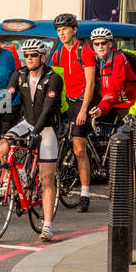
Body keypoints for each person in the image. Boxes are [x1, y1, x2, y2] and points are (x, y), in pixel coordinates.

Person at [0, 38, 63, 242]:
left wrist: (36, 133)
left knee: (47, 179)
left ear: (42, 57)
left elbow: (47, 109)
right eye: (26, 56)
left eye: (33, 55)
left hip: (46, 128)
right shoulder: (19, 75)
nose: (29, 59)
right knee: (3, 144)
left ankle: (46, 226)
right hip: (27, 123)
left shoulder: (52, 78)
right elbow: (6, 100)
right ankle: (17, 178)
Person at [51, 13, 96, 214]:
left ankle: (85, 196)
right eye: (59, 31)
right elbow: (56, 83)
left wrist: (84, 110)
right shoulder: (58, 54)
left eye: (65, 30)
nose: (61, 34)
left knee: (79, 150)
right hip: (65, 103)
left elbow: (90, 83)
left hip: (81, 101)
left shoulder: (85, 51)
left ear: (74, 30)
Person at [88, 27, 136, 131]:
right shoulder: (94, 59)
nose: (100, 47)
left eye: (103, 43)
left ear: (110, 44)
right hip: (107, 102)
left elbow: (116, 86)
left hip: (125, 103)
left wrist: (102, 107)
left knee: (122, 138)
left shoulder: (119, 58)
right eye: (96, 44)